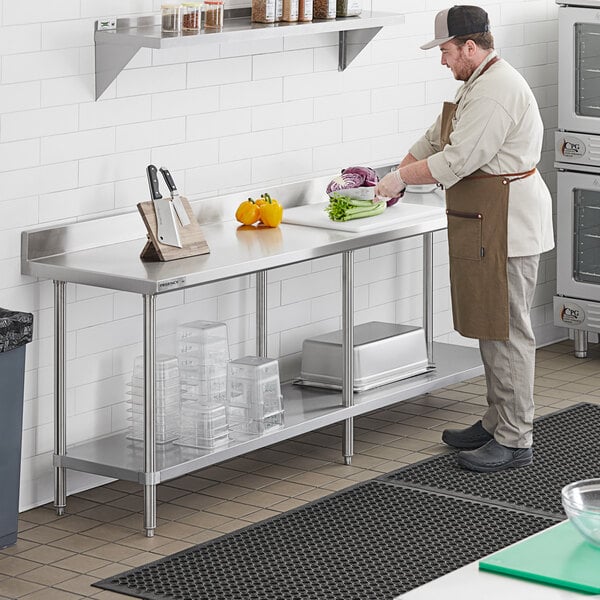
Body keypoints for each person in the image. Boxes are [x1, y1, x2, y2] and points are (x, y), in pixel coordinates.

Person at [375, 5, 554, 473]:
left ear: (471, 47)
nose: (442, 61)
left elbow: (458, 159)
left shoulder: (496, 91)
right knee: (490, 325)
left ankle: (515, 439)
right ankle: (498, 421)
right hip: (488, 219)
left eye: (447, 51)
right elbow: (439, 136)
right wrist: (402, 164)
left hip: (508, 225)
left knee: (509, 332)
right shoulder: (478, 82)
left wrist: (399, 180)